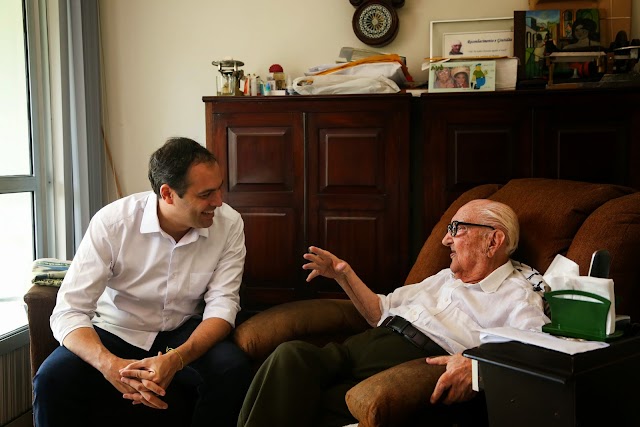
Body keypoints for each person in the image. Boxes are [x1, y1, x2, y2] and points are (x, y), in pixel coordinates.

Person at [238, 199, 549, 427]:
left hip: (408, 362)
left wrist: (476, 367)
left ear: (493, 240)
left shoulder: (516, 294)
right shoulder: (444, 277)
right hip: (367, 343)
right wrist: (344, 275)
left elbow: (544, 351)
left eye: (456, 229)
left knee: (297, 385)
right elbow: (380, 311)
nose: (445, 239)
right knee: (289, 362)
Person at [33, 137, 253, 427]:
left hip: (182, 331)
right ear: (168, 193)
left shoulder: (230, 224)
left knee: (232, 369)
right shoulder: (112, 223)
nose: (219, 201)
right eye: (206, 194)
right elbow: (69, 310)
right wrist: (109, 364)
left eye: (219, 187)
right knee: (52, 379)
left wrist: (176, 359)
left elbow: (223, 305)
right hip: (116, 329)